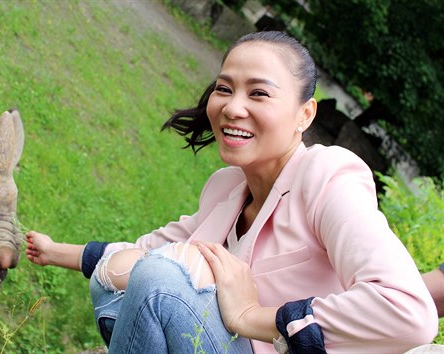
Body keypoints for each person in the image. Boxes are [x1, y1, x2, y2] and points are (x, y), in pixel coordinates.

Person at [25, 31, 438, 353]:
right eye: (224, 89)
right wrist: (52, 251)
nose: (232, 107)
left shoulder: (328, 177)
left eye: (258, 93)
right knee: (115, 279)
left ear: (304, 113)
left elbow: (408, 312)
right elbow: (150, 246)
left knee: (157, 280)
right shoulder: (228, 186)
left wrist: (253, 316)